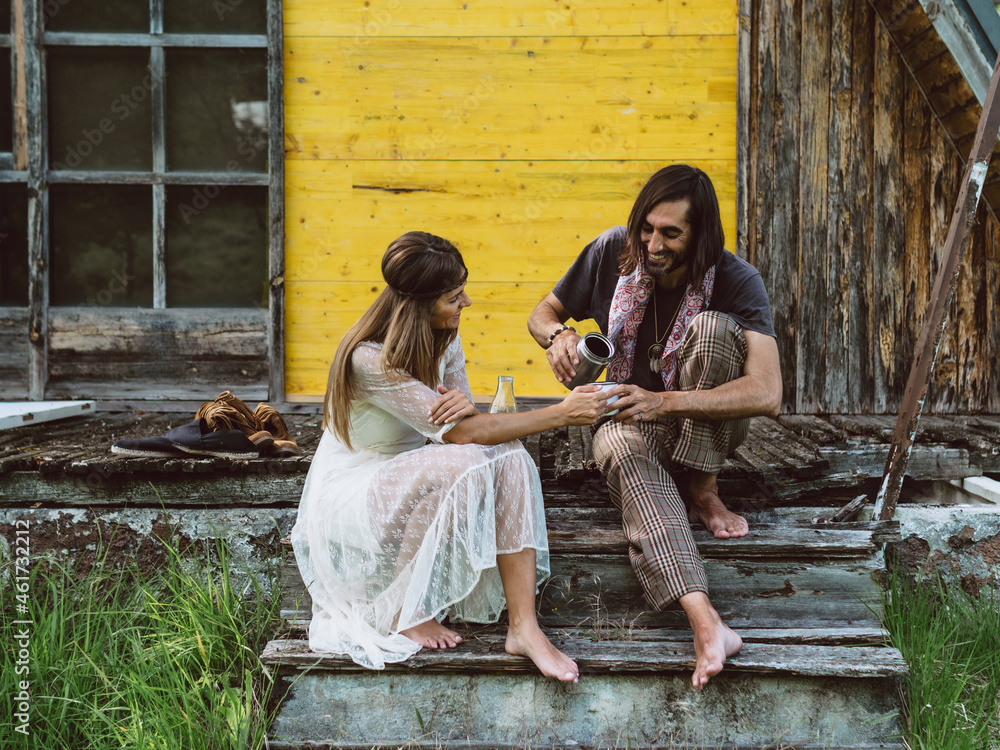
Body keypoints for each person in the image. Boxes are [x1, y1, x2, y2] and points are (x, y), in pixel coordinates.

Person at [291, 230, 608, 683]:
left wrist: (465, 415)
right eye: (454, 297)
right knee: (472, 460)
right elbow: (463, 434)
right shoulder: (369, 359)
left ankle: (524, 627)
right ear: (420, 305)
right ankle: (405, 611)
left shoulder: (444, 337)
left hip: (411, 473)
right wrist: (561, 412)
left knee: (510, 455)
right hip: (353, 495)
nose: (467, 303)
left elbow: (466, 424)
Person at [527, 164, 782, 689]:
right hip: (626, 415)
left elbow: (768, 392)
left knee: (712, 331)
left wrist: (664, 402)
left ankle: (703, 489)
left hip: (696, 422)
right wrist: (558, 336)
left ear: (700, 235)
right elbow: (543, 312)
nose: (653, 244)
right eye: (646, 228)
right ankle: (707, 623)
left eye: (670, 233)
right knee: (623, 450)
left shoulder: (736, 278)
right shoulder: (612, 250)